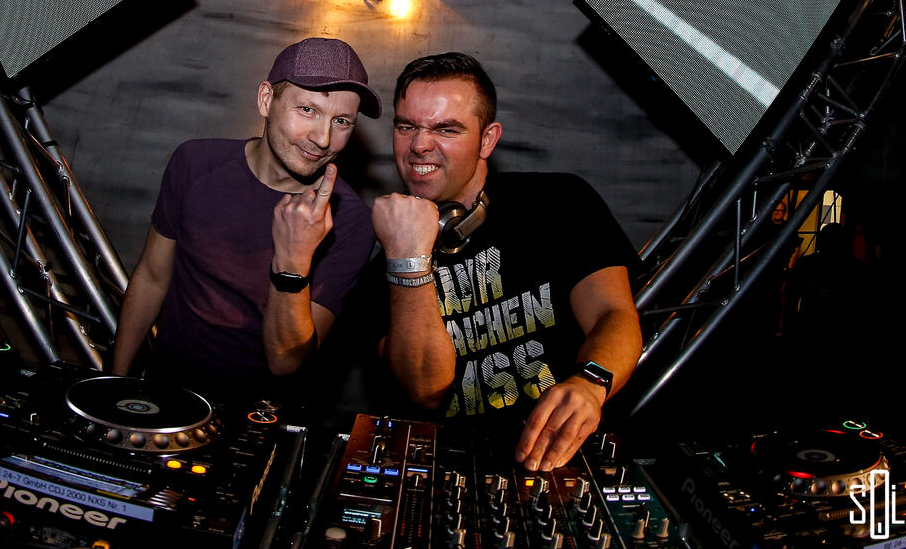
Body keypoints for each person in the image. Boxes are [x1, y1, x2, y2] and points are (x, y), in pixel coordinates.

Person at [370, 52, 642, 471]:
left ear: (487, 140)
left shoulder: (561, 203)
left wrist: (590, 381)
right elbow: (425, 389)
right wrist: (408, 260)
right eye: (406, 126)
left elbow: (613, 314)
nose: (419, 145)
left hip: (565, 457)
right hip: (451, 466)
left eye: (446, 129)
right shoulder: (387, 262)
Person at [110, 38, 380, 401]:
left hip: (259, 416)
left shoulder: (351, 220)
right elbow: (151, 278)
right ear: (266, 100)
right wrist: (115, 381)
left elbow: (286, 361)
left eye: (342, 121)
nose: (322, 138)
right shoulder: (194, 163)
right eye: (307, 110)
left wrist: (292, 261)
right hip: (165, 393)